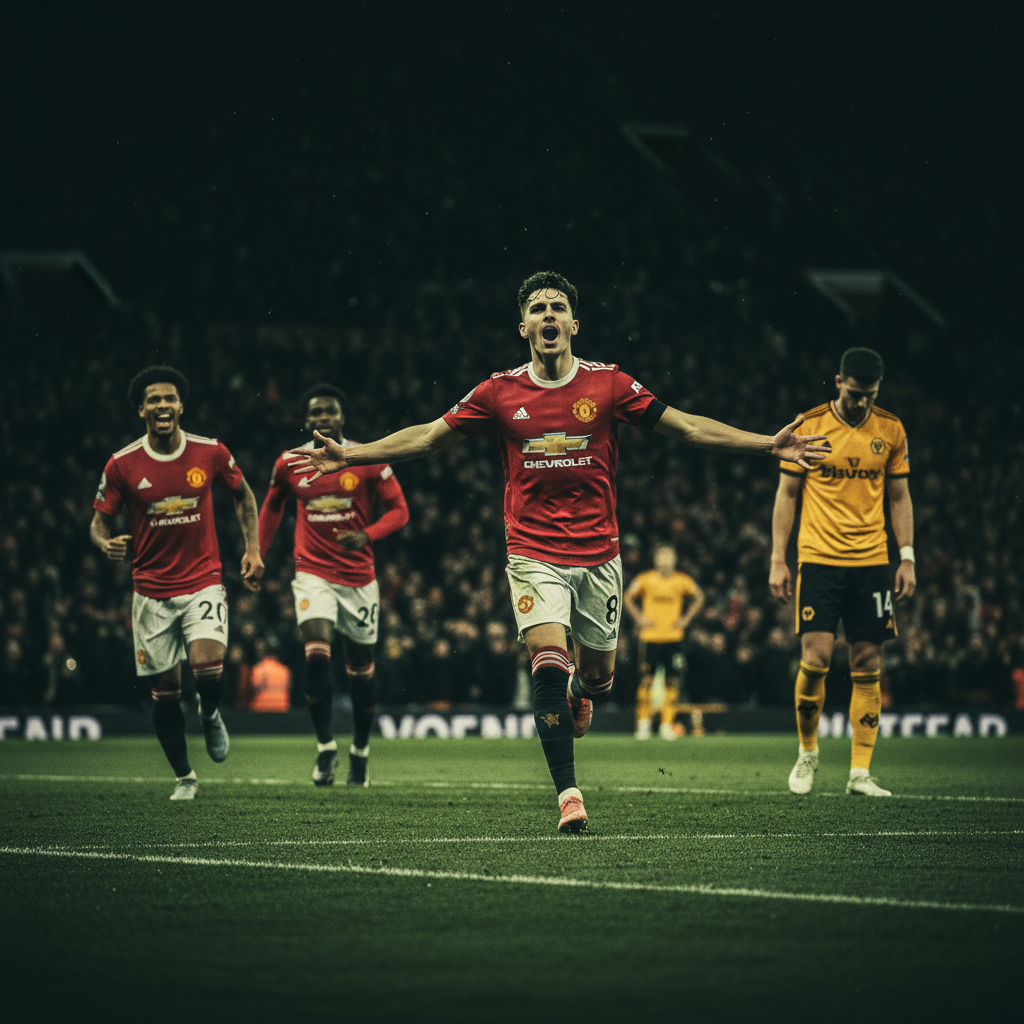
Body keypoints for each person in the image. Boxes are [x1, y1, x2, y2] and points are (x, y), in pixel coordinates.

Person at [287, 271, 828, 832]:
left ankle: (582, 691)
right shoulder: (498, 391)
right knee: (547, 665)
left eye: (558, 307)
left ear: (574, 324)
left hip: (599, 555)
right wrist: (354, 457)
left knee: (598, 679)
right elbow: (427, 436)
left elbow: (687, 428)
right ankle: (569, 793)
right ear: (523, 327)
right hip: (531, 551)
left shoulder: (610, 384)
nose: (549, 315)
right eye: (539, 308)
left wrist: (767, 443)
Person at [90, 365, 263, 800]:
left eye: (169, 398)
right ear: (141, 409)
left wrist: (253, 549)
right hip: (150, 590)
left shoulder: (211, 452)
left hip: (203, 579)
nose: (163, 405)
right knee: (165, 694)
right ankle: (185, 776)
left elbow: (243, 494)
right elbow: (98, 521)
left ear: (181, 406)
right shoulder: (122, 464)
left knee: (208, 670)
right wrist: (105, 543)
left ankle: (209, 713)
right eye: (154, 400)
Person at [769, 346, 915, 797]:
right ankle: (808, 753)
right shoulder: (809, 426)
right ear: (838, 383)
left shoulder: (890, 429)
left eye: (868, 396)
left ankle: (859, 773)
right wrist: (779, 557)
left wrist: (906, 554)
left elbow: (899, 498)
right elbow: (788, 494)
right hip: (819, 558)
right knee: (815, 659)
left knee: (868, 662)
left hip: (871, 561)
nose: (861, 403)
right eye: (854, 394)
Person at [259, 384, 409, 787]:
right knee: (317, 656)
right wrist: (256, 553)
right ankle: (326, 747)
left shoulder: (366, 459)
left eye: (330, 412)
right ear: (307, 421)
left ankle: (359, 751)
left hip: (358, 577)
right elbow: (273, 504)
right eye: (316, 413)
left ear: (342, 418)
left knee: (361, 669)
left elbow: (400, 510)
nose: (323, 418)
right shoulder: (290, 463)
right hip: (312, 572)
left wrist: (368, 535)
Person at [624, 543, 704, 739]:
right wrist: (639, 618)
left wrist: (685, 620)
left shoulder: (681, 580)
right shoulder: (645, 579)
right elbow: (627, 597)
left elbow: (699, 596)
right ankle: (643, 724)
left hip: (674, 638)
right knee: (646, 681)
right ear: (656, 559)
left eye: (670, 555)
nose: (666, 559)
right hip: (650, 637)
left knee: (672, 681)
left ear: (675, 560)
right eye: (663, 555)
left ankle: (666, 724)